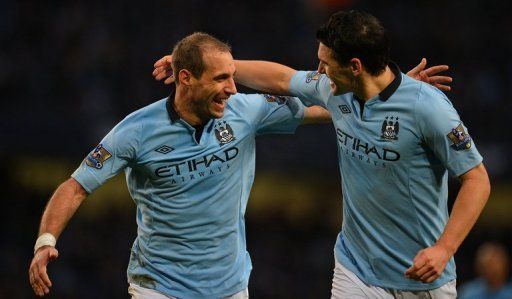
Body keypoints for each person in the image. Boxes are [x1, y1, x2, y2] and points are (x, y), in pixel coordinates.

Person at [154, 9, 491, 299]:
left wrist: (444, 248)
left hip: (422, 277)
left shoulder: (427, 109)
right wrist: (205, 67)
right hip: (356, 270)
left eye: (325, 63)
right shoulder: (334, 90)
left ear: (355, 66)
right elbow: (282, 78)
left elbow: (476, 179)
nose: (319, 70)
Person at [28, 32, 332, 298]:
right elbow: (75, 187)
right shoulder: (136, 131)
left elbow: (324, 106)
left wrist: (365, 95)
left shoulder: (246, 112)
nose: (233, 89)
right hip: (159, 286)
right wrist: (45, 242)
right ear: (185, 77)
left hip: (230, 285)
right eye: (220, 79)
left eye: (232, 76)